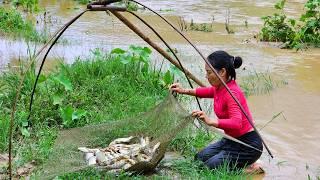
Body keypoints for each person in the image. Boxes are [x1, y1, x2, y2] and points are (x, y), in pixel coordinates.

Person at [170, 50, 263, 171]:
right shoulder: (220, 87)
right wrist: (184, 90)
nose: (206, 76)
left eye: (209, 72)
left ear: (222, 72)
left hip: (248, 145)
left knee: (210, 167)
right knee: (199, 158)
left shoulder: (232, 93)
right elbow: (206, 91)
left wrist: (211, 121)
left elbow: (237, 123)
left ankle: (252, 167)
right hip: (230, 140)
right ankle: (243, 163)